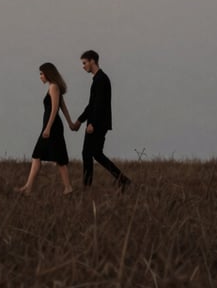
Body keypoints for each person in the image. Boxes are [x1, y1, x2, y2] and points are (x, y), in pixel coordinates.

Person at [71, 50, 131, 192]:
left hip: (97, 124)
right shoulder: (98, 80)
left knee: (87, 153)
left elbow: (99, 105)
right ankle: (123, 180)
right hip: (97, 123)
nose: (83, 66)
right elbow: (92, 105)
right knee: (96, 153)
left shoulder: (101, 79)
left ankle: (87, 187)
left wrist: (92, 124)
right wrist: (80, 121)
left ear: (92, 61)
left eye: (84, 63)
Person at [15, 62, 75, 195]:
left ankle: (30, 188)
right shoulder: (55, 87)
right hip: (52, 126)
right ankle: (29, 187)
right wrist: (70, 123)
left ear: (48, 73)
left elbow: (55, 108)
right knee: (51, 157)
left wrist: (47, 128)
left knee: (40, 155)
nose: (40, 77)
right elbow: (62, 106)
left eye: (42, 74)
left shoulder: (53, 87)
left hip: (52, 127)